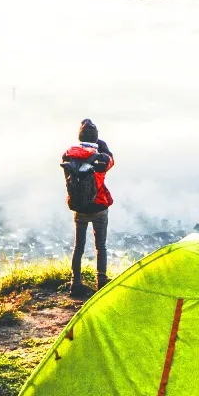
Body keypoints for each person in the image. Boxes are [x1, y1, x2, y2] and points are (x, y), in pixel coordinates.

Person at [61, 118, 114, 297]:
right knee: (101, 247)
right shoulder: (101, 157)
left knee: (79, 247)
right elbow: (110, 161)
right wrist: (101, 146)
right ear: (96, 138)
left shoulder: (68, 156)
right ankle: (101, 282)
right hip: (99, 207)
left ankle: (75, 283)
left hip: (79, 207)